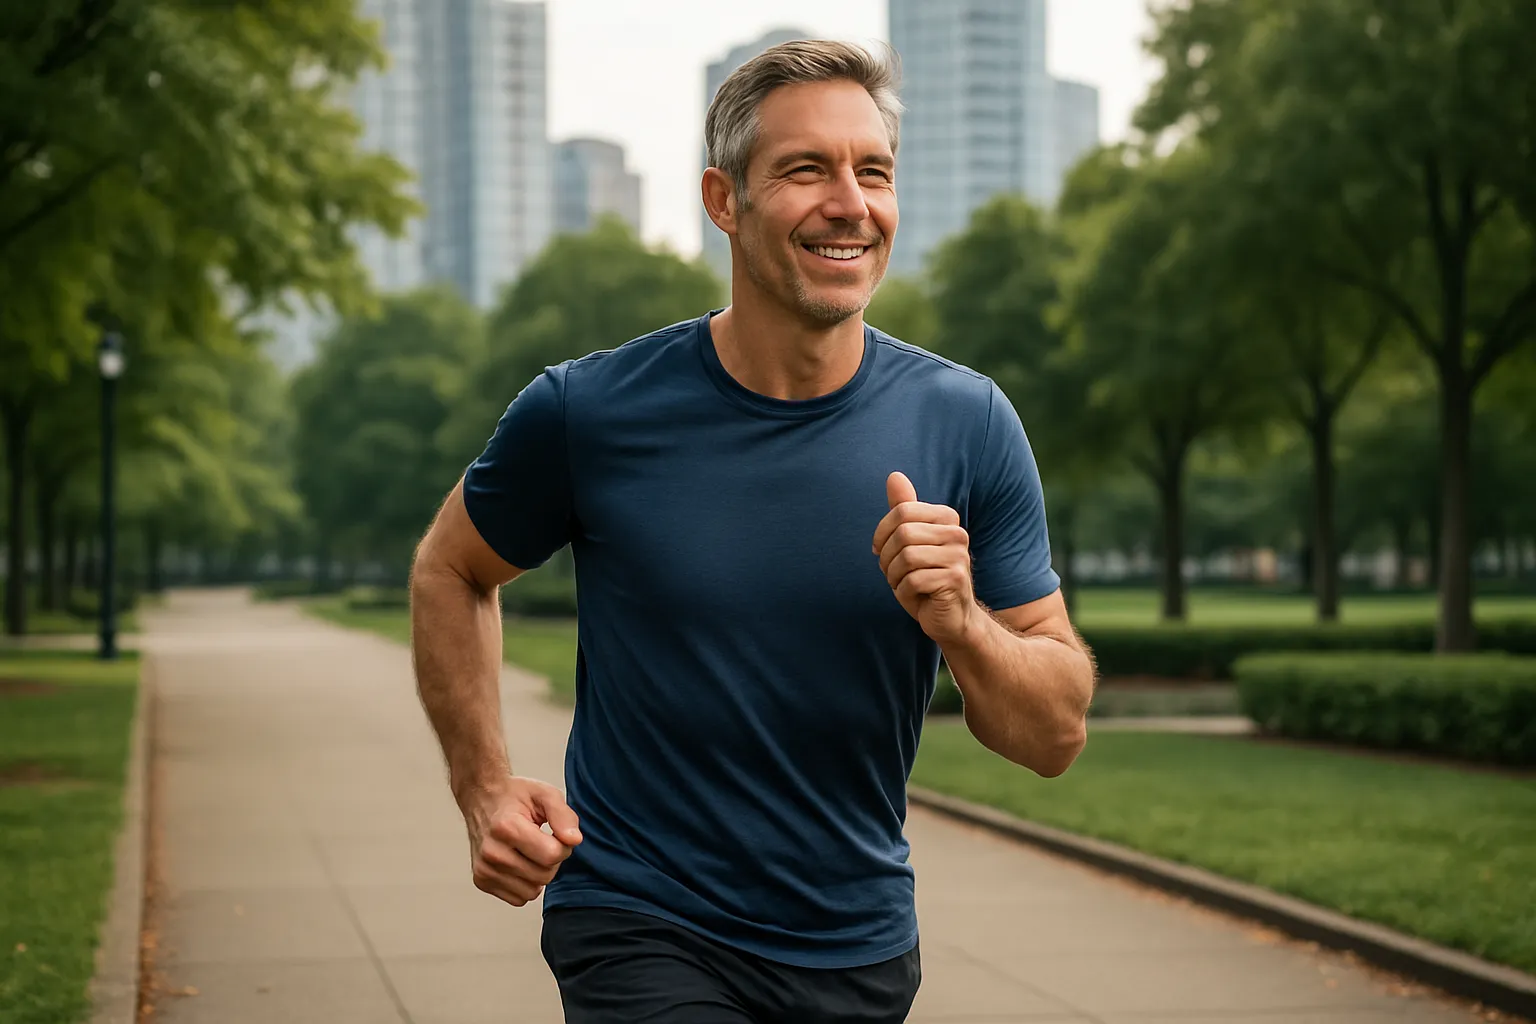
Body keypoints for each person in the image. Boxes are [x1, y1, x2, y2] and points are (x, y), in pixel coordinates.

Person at [408, 39, 1097, 1024]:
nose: (850, 202)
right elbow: (450, 567)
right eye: (805, 169)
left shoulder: (967, 420)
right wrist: (481, 786)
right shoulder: (588, 411)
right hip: (641, 917)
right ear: (724, 200)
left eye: (874, 172)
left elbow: (1055, 732)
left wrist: (961, 623)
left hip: (856, 941)